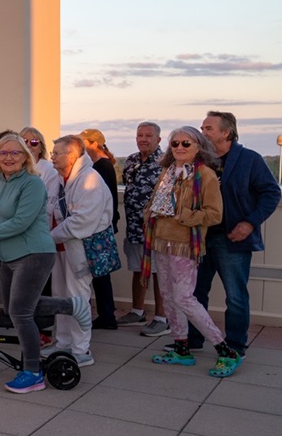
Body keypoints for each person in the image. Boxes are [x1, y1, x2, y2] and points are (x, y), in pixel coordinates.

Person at [0, 133, 93, 393]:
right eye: (3, 153)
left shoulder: (33, 184)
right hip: (9, 255)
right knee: (17, 309)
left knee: (21, 312)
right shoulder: (0, 180)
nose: (8, 157)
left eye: (15, 153)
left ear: (25, 157)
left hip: (33, 253)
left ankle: (33, 372)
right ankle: (72, 305)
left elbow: (20, 221)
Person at [145, 127, 243, 378]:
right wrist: (150, 213)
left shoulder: (206, 175)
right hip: (161, 241)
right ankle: (181, 348)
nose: (179, 147)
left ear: (198, 147)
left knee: (184, 298)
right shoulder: (168, 173)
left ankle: (225, 350)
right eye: (175, 143)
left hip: (185, 244)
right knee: (168, 297)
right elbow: (156, 203)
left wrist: (185, 216)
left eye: (186, 143)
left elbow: (214, 214)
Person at [190, 111, 281, 357]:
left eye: (208, 128)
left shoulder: (249, 160)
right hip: (200, 238)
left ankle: (236, 345)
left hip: (232, 238)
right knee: (194, 294)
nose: (203, 132)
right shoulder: (199, 161)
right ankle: (193, 340)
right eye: (202, 127)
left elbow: (272, 193)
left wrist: (250, 223)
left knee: (236, 296)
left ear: (226, 132)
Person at [40, 135, 112, 368]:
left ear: (72, 155)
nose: (52, 156)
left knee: (78, 297)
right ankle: (62, 342)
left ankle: (81, 349)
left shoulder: (89, 180)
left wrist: (49, 237)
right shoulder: (62, 178)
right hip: (60, 248)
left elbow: (82, 221)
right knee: (61, 296)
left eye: (57, 153)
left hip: (78, 248)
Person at [117, 122, 168, 336]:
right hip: (135, 228)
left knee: (159, 273)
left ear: (158, 139)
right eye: (140, 135)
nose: (143, 139)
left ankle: (162, 318)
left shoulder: (166, 162)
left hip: (157, 230)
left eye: (148, 135)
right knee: (138, 269)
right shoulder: (130, 161)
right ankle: (137, 312)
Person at [79, 128, 120, 330]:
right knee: (100, 274)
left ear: (93, 143)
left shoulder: (101, 166)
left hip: (100, 228)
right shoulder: (102, 164)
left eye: (83, 142)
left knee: (101, 275)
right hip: (102, 226)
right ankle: (106, 314)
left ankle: (107, 316)